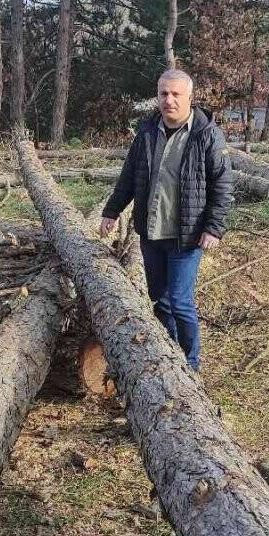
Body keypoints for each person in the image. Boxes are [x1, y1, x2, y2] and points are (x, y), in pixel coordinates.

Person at [98, 69, 234, 371]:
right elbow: (129, 176)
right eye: (163, 94)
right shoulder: (147, 132)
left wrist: (214, 227)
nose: (168, 100)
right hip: (152, 231)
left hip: (188, 235)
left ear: (189, 97)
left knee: (179, 302)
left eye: (175, 94)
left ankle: (191, 364)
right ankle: (169, 356)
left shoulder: (207, 135)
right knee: (159, 298)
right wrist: (112, 210)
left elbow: (223, 187)